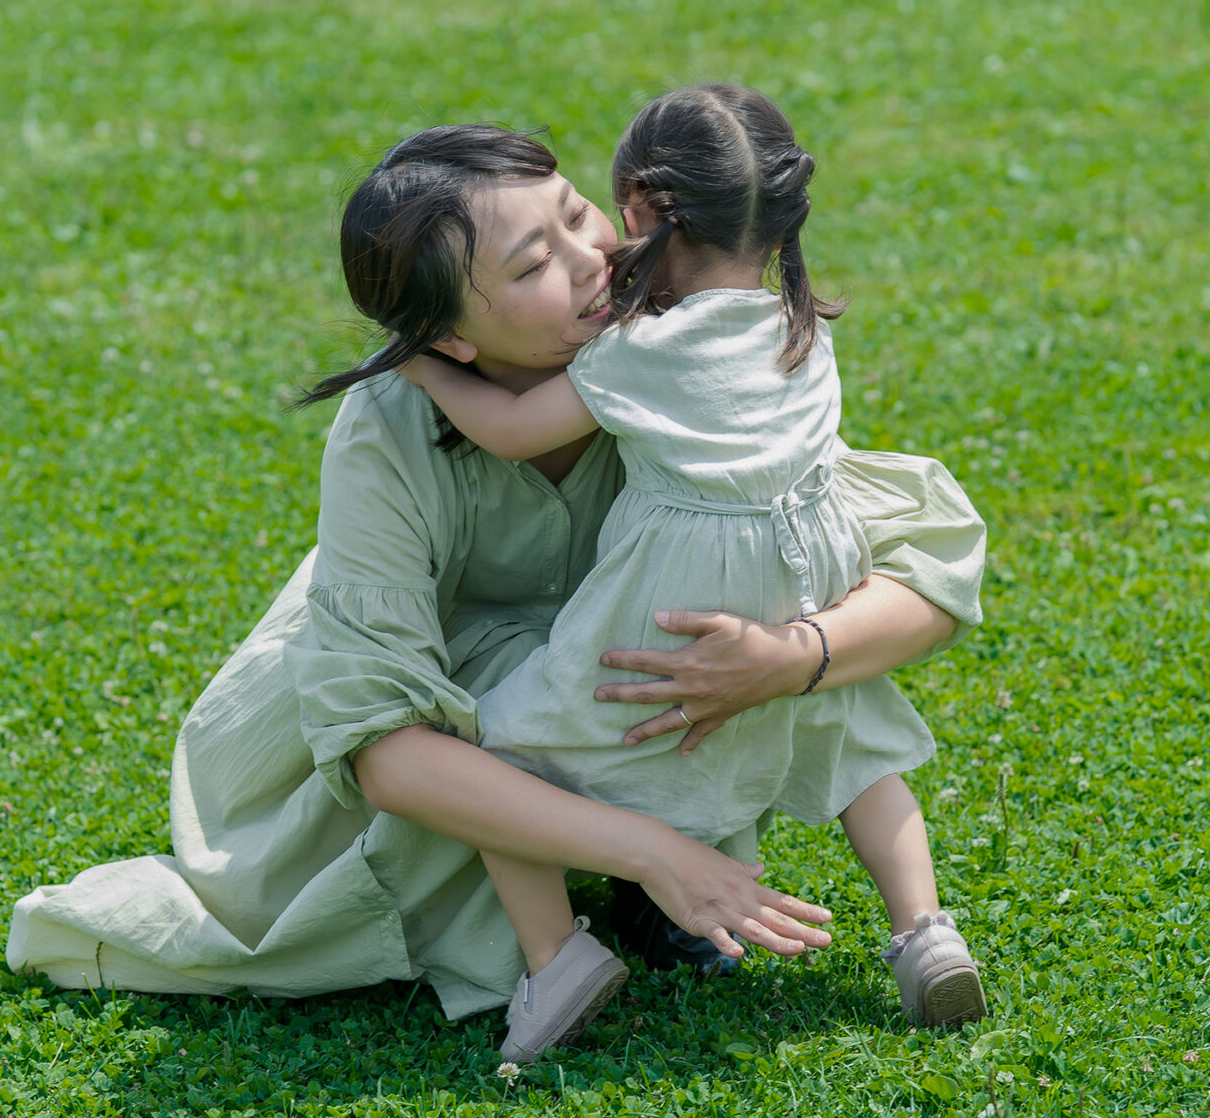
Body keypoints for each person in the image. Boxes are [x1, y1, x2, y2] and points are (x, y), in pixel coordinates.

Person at [3, 124, 985, 1036]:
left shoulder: (673, 350)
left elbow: (908, 562)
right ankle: (607, 896)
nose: (588, 257)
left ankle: (666, 877)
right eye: (531, 263)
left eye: (572, 213)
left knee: (736, 649)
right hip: (431, 702)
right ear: (451, 343)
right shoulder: (389, 436)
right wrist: (654, 853)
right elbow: (387, 752)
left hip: (617, 683)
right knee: (401, 842)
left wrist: (787, 659)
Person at [402, 86, 985, 1061]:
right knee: (856, 757)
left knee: (502, 749)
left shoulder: (638, 351)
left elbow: (505, 430)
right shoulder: (803, 325)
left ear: (638, 209)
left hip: (688, 583)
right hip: (813, 582)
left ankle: (557, 959)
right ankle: (924, 934)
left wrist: (425, 364)